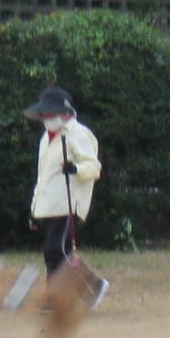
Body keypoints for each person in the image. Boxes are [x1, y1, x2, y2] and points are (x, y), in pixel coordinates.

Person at [24, 86, 108, 311]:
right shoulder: (45, 139)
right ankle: (57, 299)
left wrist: (76, 168)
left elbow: (94, 167)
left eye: (51, 114)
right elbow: (43, 177)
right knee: (52, 254)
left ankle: (91, 287)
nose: (47, 119)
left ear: (65, 113)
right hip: (48, 205)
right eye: (45, 115)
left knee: (57, 250)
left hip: (69, 203)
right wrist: (34, 209)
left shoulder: (79, 133)